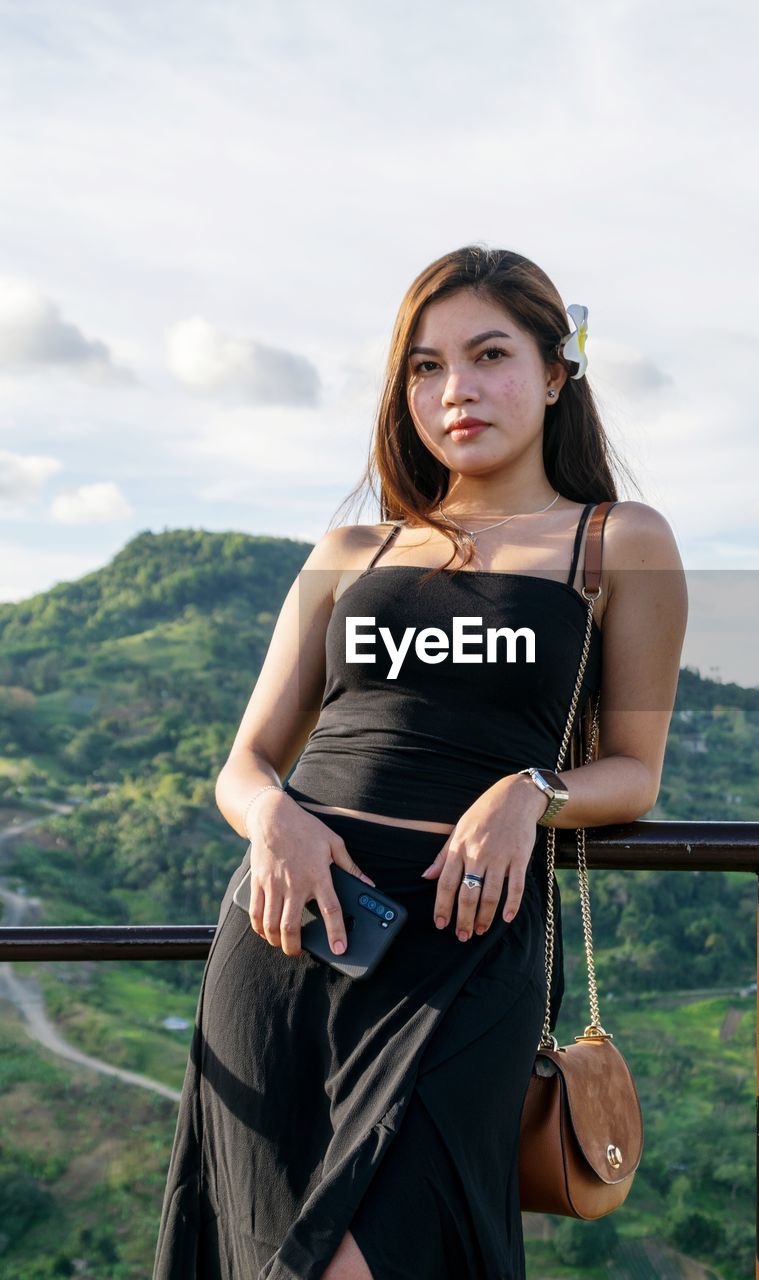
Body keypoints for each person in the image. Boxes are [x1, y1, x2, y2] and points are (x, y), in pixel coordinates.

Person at [152, 243, 688, 1280]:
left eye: (489, 355)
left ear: (555, 372)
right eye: (426, 367)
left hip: (466, 936)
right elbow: (246, 763)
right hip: (289, 929)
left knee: (376, 1254)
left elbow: (635, 769)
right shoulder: (355, 549)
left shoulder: (615, 540)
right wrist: (276, 819)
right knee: (270, 1251)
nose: (457, 390)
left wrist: (530, 792)